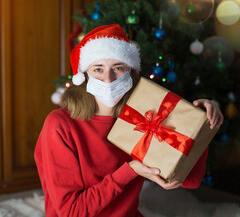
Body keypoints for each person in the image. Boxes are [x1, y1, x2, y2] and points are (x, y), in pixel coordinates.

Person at [34, 24, 223, 217]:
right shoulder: (60, 125)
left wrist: (201, 125)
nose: (108, 79)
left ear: (130, 74)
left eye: (118, 68)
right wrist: (131, 171)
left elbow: (190, 180)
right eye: (98, 69)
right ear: (84, 76)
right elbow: (70, 212)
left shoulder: (143, 119)